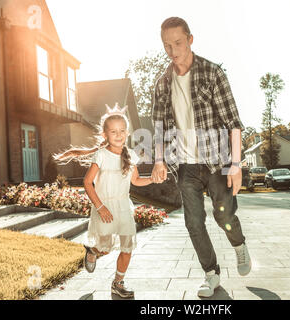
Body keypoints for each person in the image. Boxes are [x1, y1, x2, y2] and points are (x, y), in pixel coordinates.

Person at [151, 17, 251, 298]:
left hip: (217, 161)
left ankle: (239, 244)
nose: (173, 50)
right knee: (193, 222)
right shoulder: (162, 83)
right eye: (167, 45)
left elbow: (233, 122)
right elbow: (158, 126)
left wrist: (236, 164)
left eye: (178, 43)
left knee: (224, 214)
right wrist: (159, 160)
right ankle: (211, 274)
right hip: (185, 165)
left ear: (190, 40)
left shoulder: (212, 73)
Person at [55, 104, 153, 299]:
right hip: (104, 207)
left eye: (122, 131)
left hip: (124, 206)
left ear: (127, 132)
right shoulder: (101, 155)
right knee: (106, 248)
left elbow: (135, 180)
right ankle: (93, 250)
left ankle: (118, 283)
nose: (118, 135)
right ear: (105, 134)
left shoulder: (131, 155)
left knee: (127, 247)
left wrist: (152, 179)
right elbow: (87, 182)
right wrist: (100, 207)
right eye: (113, 131)